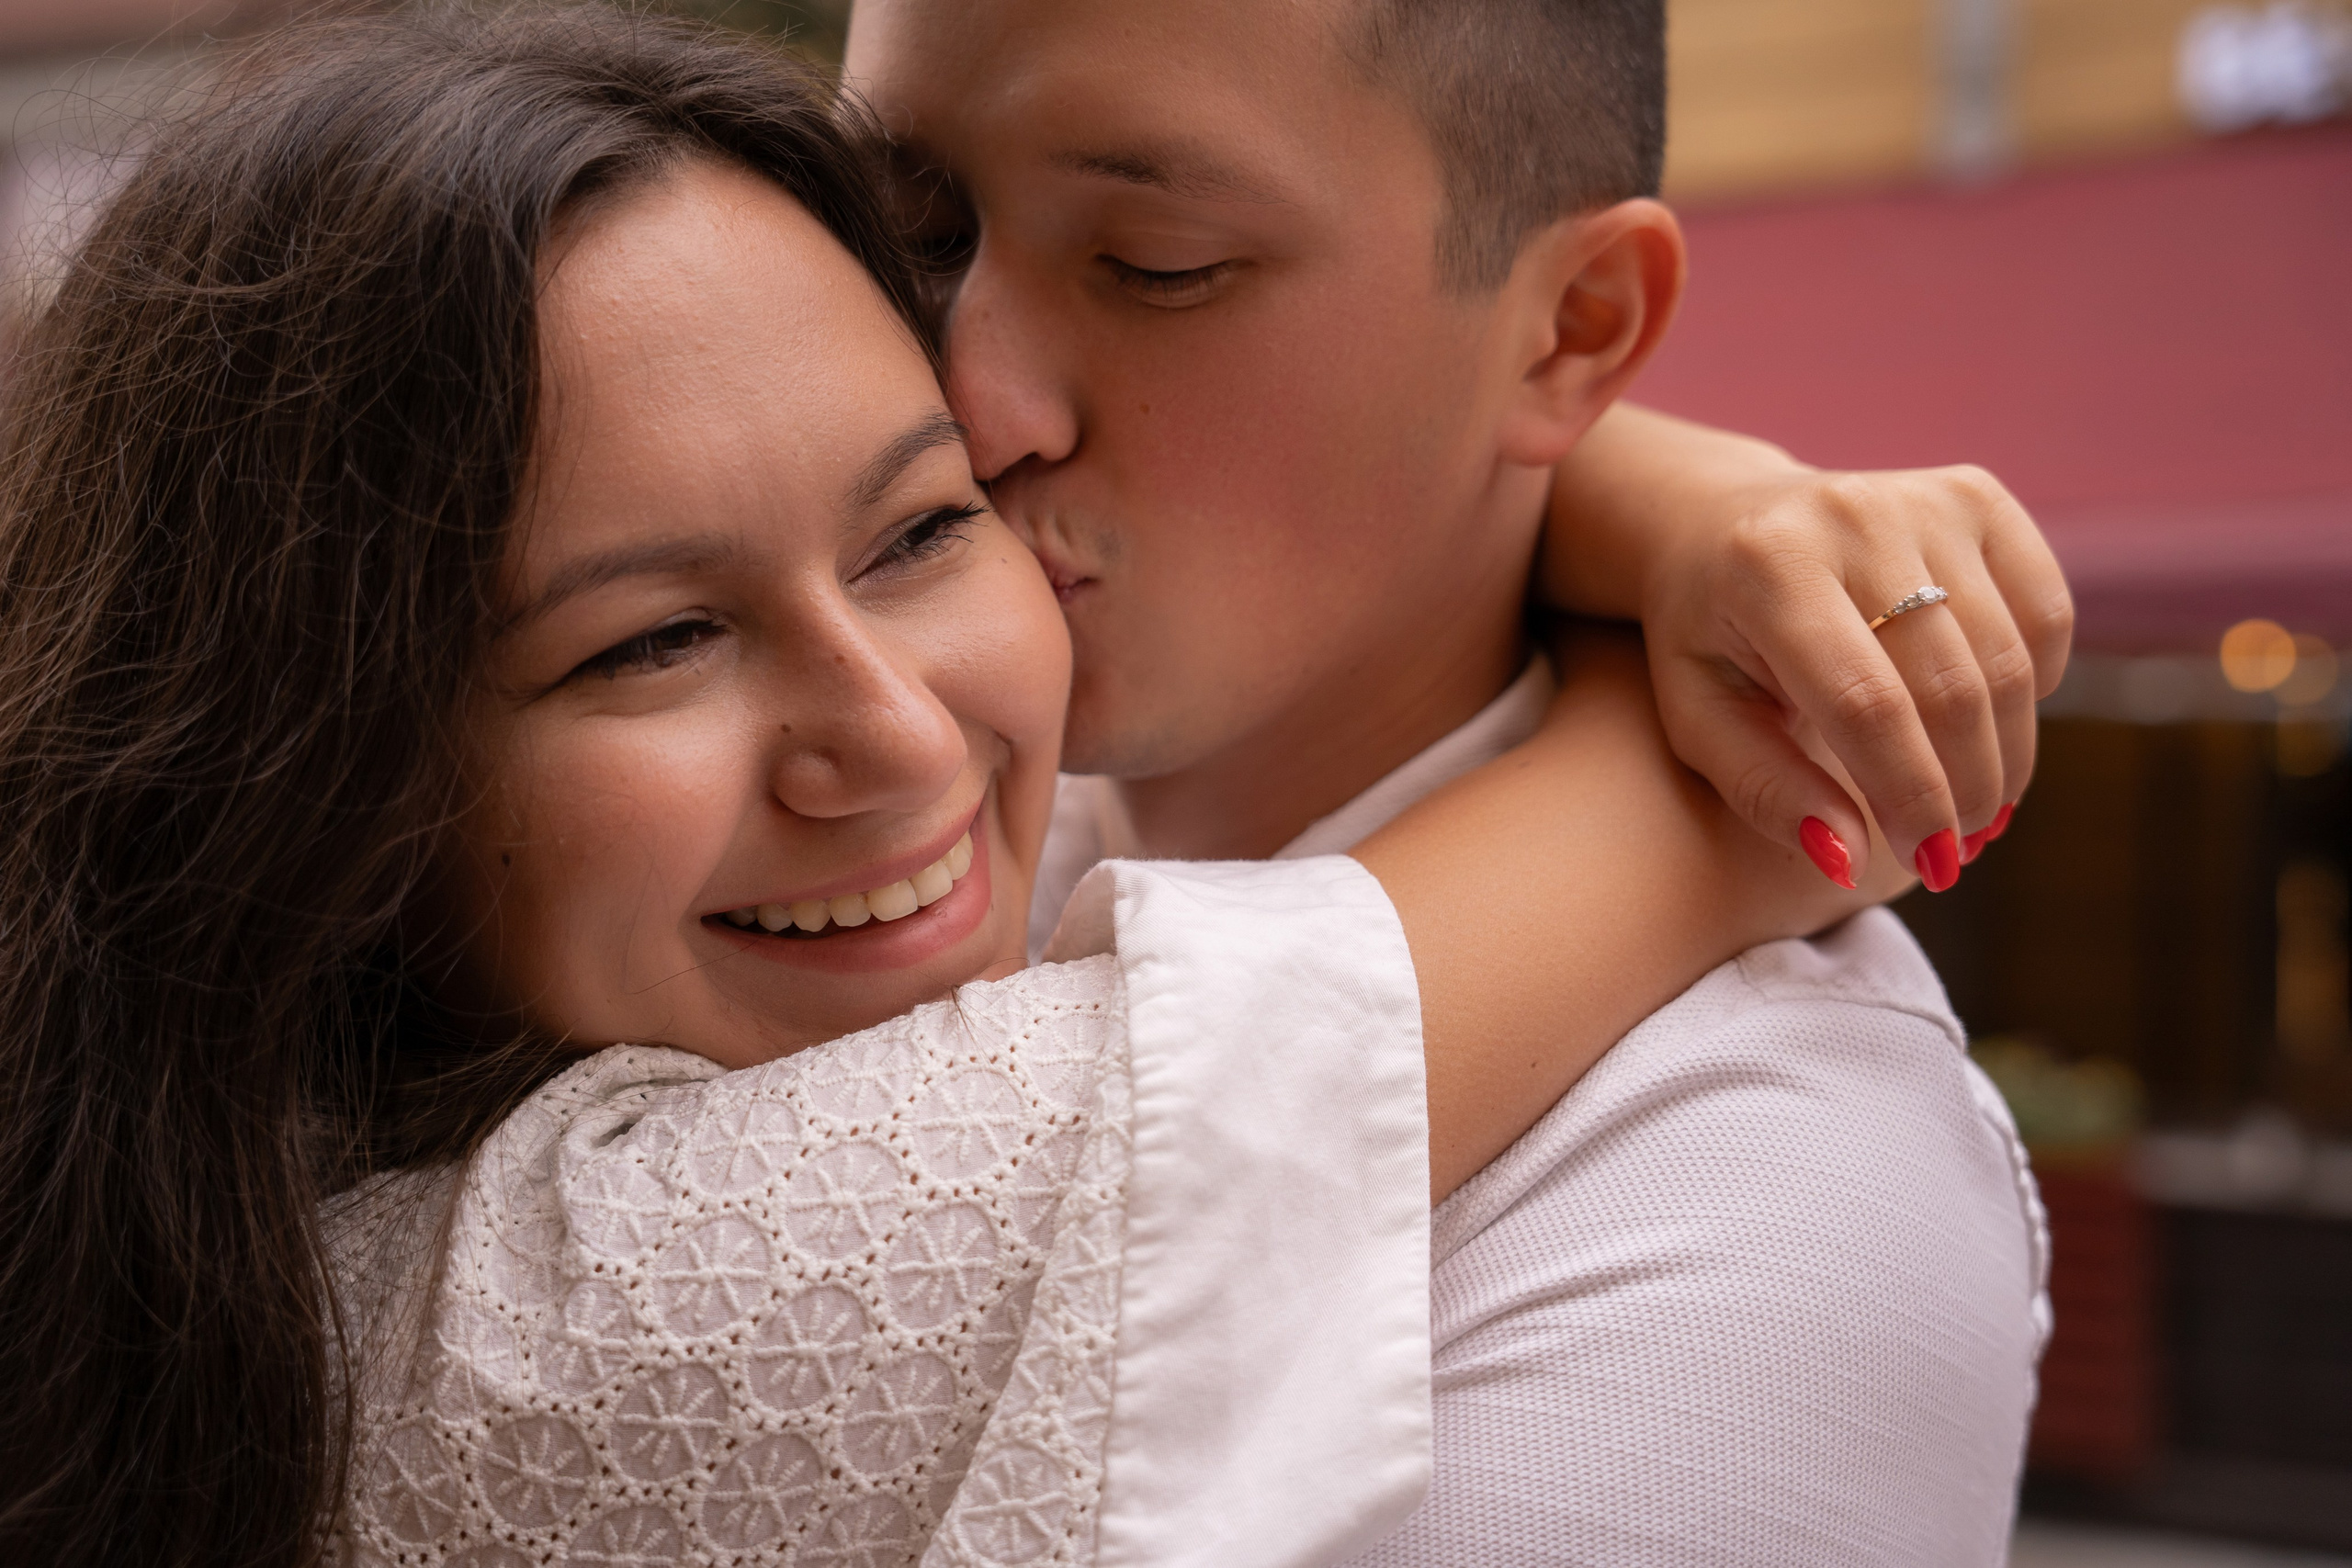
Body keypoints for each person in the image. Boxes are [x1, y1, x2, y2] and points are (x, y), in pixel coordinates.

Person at [0, 12, 1965, 1568]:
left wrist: (1637, 497)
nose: (912, 735)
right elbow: (1271, 1052)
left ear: (1574, 325)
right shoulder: (472, 1339)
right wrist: (1740, 660)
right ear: (310, 772)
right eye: (644, 644)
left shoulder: (1735, 1204)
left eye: (920, 521)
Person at [844, 0, 2058, 1560]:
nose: (968, 398)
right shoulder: (858, 832)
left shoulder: (1763, 1211)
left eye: (1158, 265)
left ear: (1576, 329)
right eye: (910, 236)